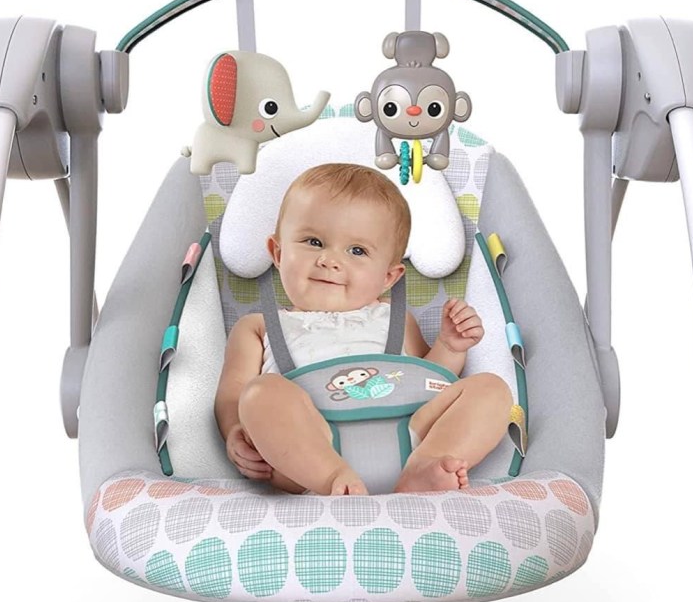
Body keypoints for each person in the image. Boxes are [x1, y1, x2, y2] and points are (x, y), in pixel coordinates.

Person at [214, 163, 513, 495]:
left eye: (357, 251)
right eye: (314, 242)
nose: (330, 260)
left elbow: (429, 382)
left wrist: (451, 346)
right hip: (306, 453)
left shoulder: (396, 319)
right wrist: (235, 431)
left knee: (491, 389)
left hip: (410, 437)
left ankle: (425, 468)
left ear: (388, 277)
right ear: (278, 253)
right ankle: (334, 480)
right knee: (259, 393)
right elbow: (232, 394)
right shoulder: (258, 327)